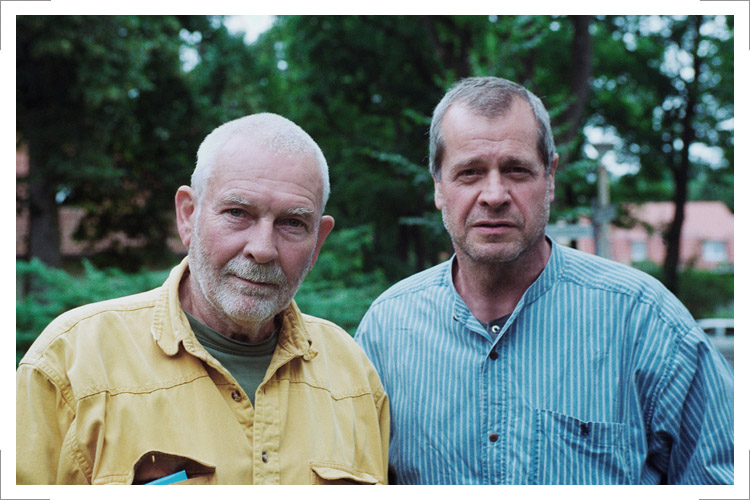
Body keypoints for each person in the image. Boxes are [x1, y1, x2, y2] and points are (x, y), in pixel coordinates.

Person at [355, 76, 733, 485]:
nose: (494, 194)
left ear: (549, 177)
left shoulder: (644, 323)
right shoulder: (387, 331)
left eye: (516, 170)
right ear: (438, 186)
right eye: (470, 173)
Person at [17, 113, 389, 485]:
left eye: (292, 223)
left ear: (318, 242)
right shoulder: (71, 362)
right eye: (237, 213)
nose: (262, 249)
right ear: (188, 216)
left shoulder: (353, 376)